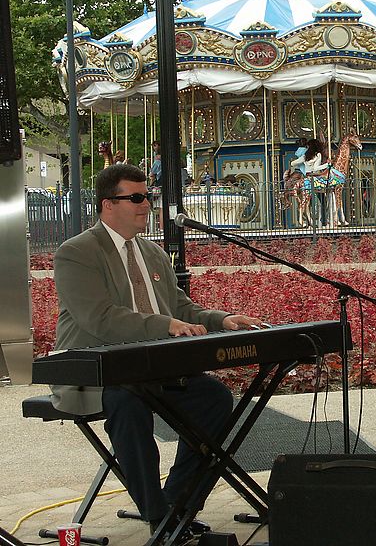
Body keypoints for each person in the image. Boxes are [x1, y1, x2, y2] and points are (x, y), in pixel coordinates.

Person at [50, 164, 264, 543]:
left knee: (214, 398)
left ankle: (178, 509)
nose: (146, 204)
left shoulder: (152, 252)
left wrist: (222, 319)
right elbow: (100, 319)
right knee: (127, 401)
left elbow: (180, 309)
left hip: (152, 370)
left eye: (147, 196)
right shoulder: (77, 252)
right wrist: (164, 325)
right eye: (135, 198)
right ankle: (156, 516)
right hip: (94, 372)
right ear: (107, 205)